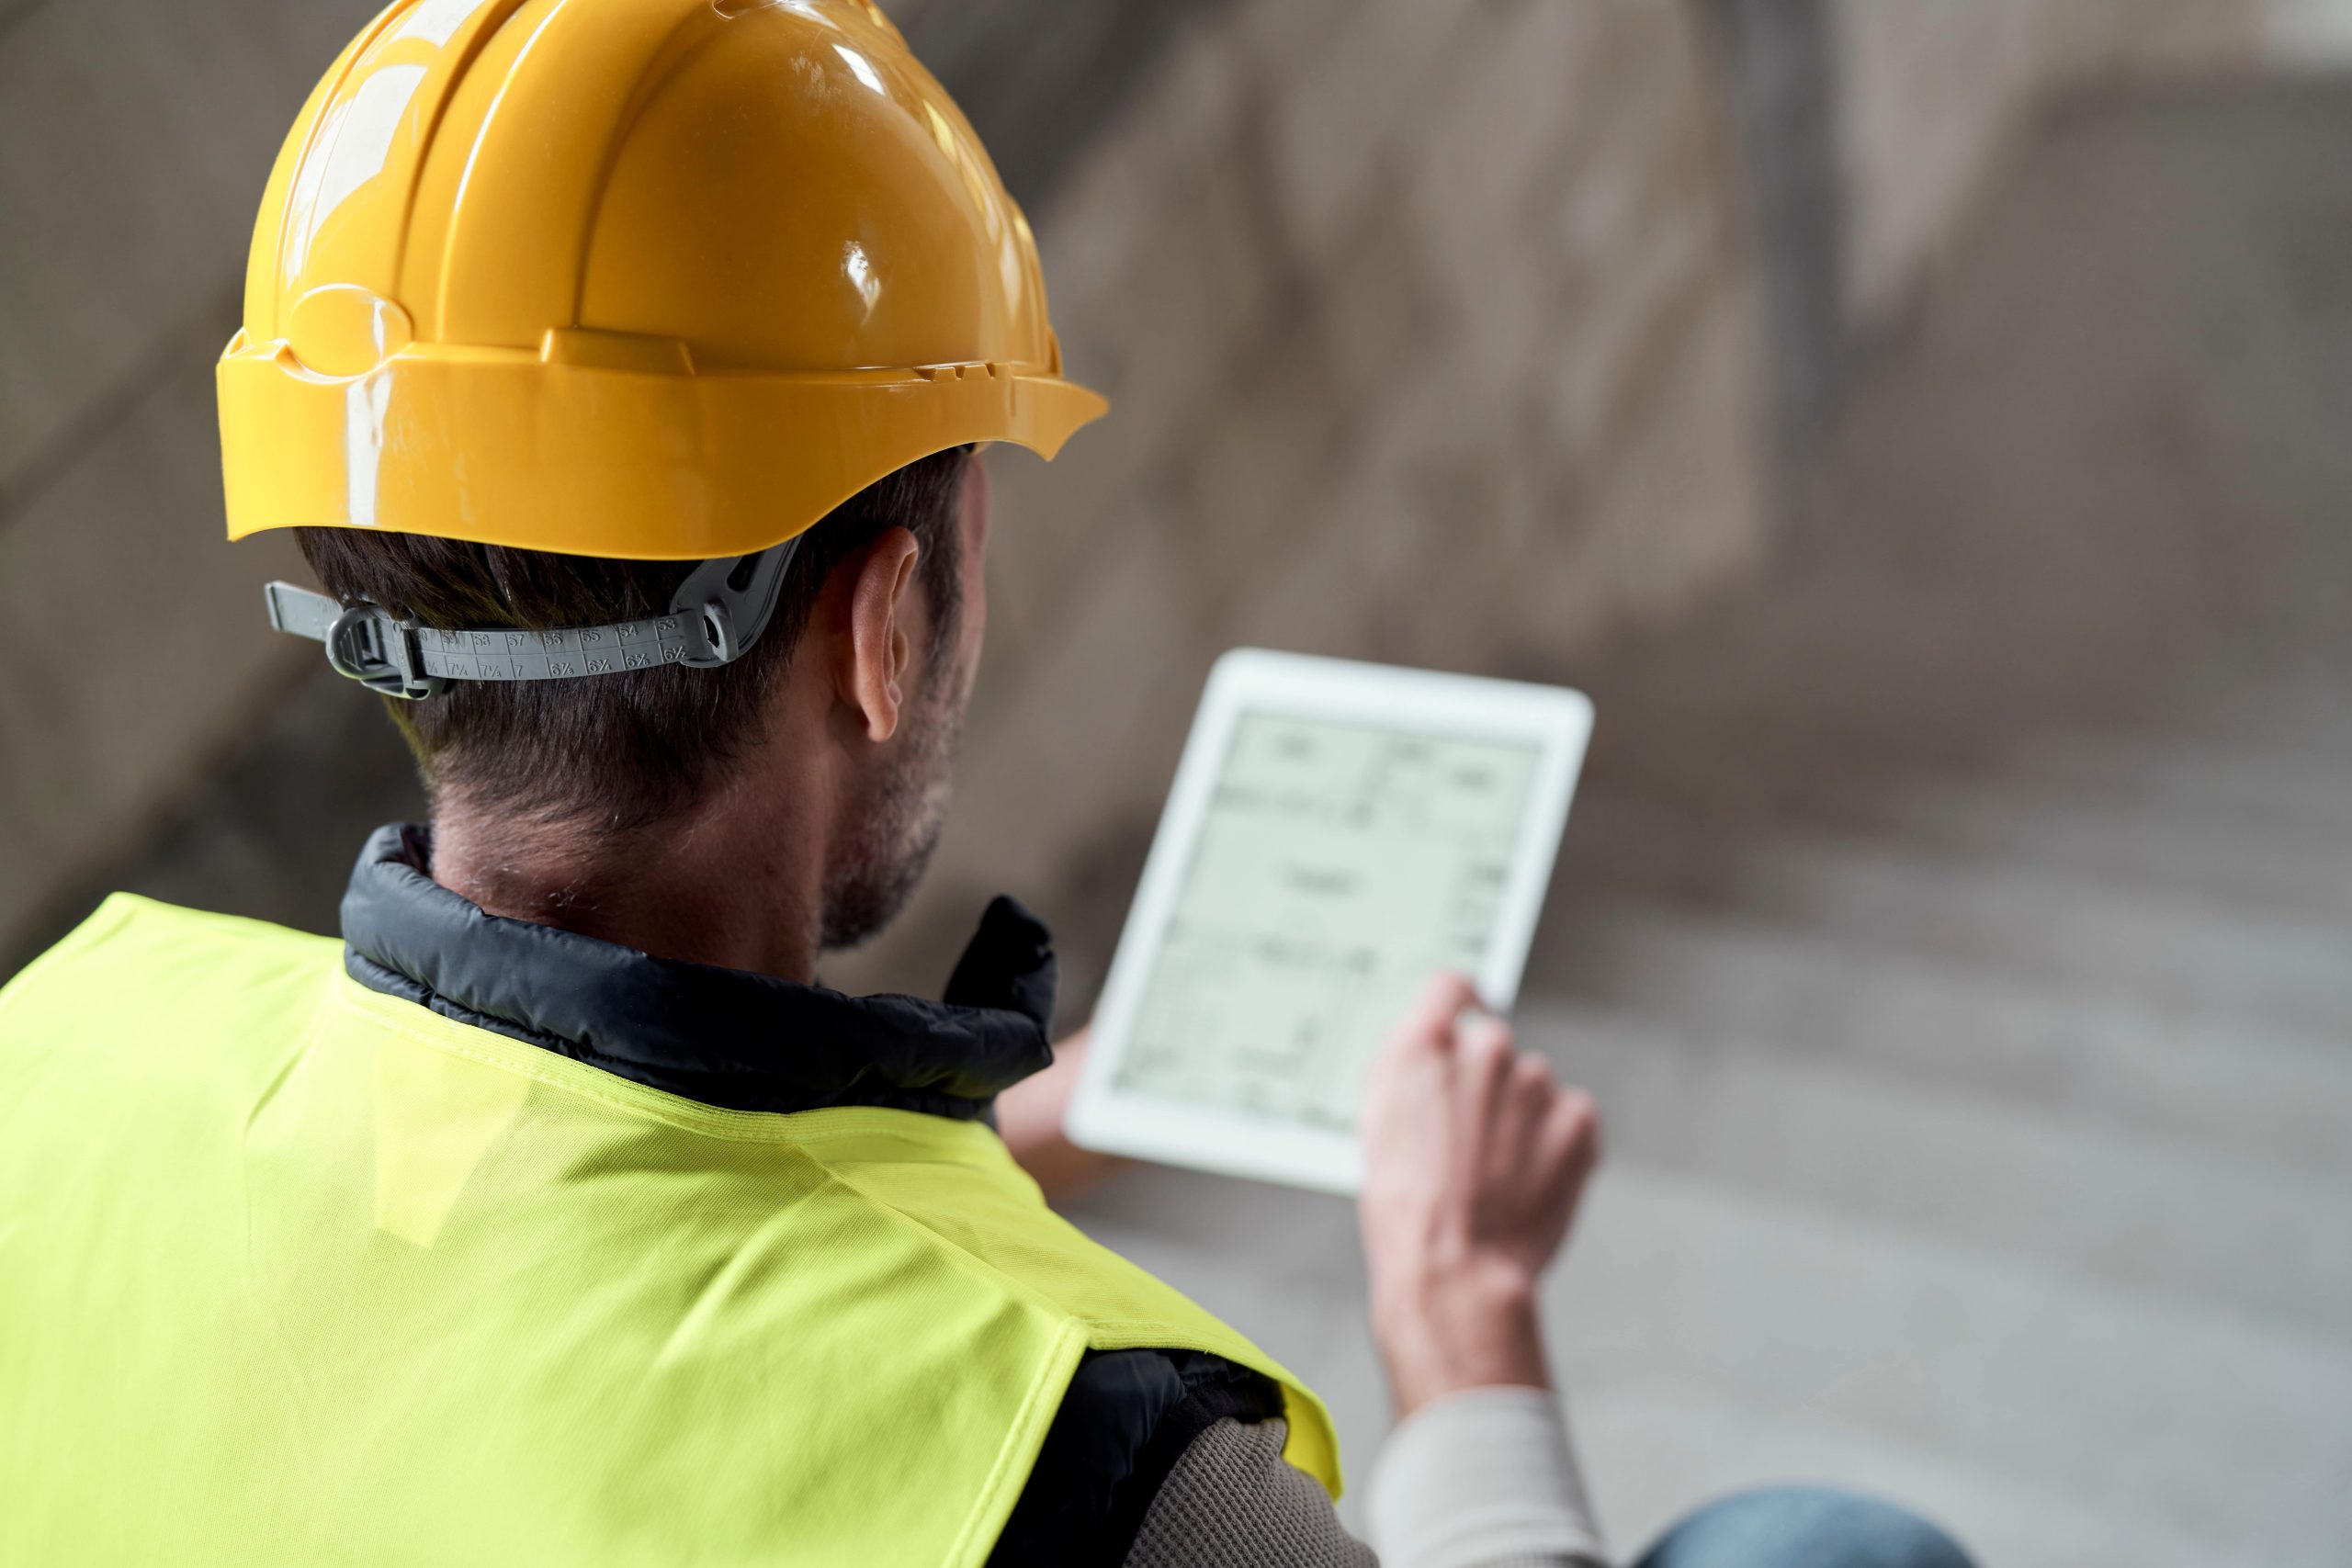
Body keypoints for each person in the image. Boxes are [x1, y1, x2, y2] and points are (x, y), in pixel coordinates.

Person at [0, 4, 1976, 1565]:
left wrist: (1009, 1128)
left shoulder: (65, 1048)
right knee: (1825, 1543)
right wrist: (1455, 1320)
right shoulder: (1078, 1484)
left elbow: (498, 1279)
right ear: (875, 624)